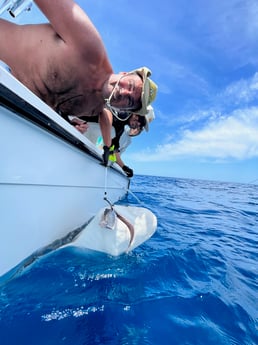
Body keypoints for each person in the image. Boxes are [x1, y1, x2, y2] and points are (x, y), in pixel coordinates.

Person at [0, 0, 157, 165]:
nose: (124, 92)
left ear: (125, 109)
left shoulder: (95, 107)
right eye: (130, 85)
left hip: (13, 112)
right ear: (125, 73)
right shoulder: (89, 47)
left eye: (130, 101)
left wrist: (106, 148)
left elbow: (103, 116)